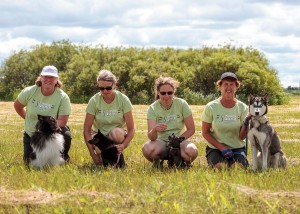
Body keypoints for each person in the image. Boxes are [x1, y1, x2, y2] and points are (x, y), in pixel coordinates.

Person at [14, 65, 72, 165]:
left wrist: (47, 128)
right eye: (45, 76)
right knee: (29, 163)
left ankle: (63, 156)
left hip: (51, 134)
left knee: (65, 133)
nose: (48, 79)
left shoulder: (63, 97)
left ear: (56, 80)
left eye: (52, 77)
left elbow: (62, 121)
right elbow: (17, 106)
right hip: (32, 134)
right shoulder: (29, 91)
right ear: (40, 78)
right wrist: (27, 119)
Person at [142, 76, 198, 168]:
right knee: (147, 149)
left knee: (191, 150)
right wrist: (155, 130)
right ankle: (158, 161)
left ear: (174, 92)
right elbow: (151, 137)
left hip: (180, 140)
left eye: (170, 93)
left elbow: (191, 129)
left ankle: (183, 161)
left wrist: (178, 140)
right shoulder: (152, 108)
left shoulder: (182, 104)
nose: (166, 96)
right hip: (161, 142)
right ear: (158, 93)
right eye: (163, 93)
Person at [83, 69, 135, 167]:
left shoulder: (123, 100)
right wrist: (93, 155)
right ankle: (104, 158)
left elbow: (132, 129)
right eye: (101, 88)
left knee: (116, 134)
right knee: (100, 154)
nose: (105, 91)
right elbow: (86, 130)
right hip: (100, 135)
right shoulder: (94, 101)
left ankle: (116, 155)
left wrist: (123, 145)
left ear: (114, 85)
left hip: (117, 135)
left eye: (108, 88)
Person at [201, 72, 250, 169]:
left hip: (237, 147)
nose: (229, 87)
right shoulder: (211, 107)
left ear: (236, 87)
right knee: (220, 167)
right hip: (215, 148)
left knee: (237, 168)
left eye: (232, 84)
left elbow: (242, 137)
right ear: (220, 86)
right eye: (225, 84)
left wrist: (246, 124)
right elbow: (205, 133)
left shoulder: (243, 108)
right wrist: (222, 147)